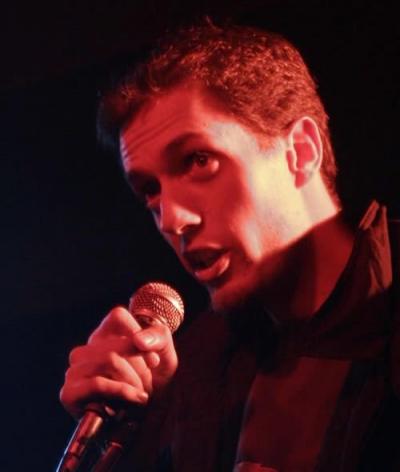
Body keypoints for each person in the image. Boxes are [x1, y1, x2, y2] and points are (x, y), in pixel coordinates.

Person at [60, 19, 399, 471]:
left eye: (198, 161)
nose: (172, 219)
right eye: (150, 190)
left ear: (301, 151)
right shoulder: (195, 374)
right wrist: (138, 434)